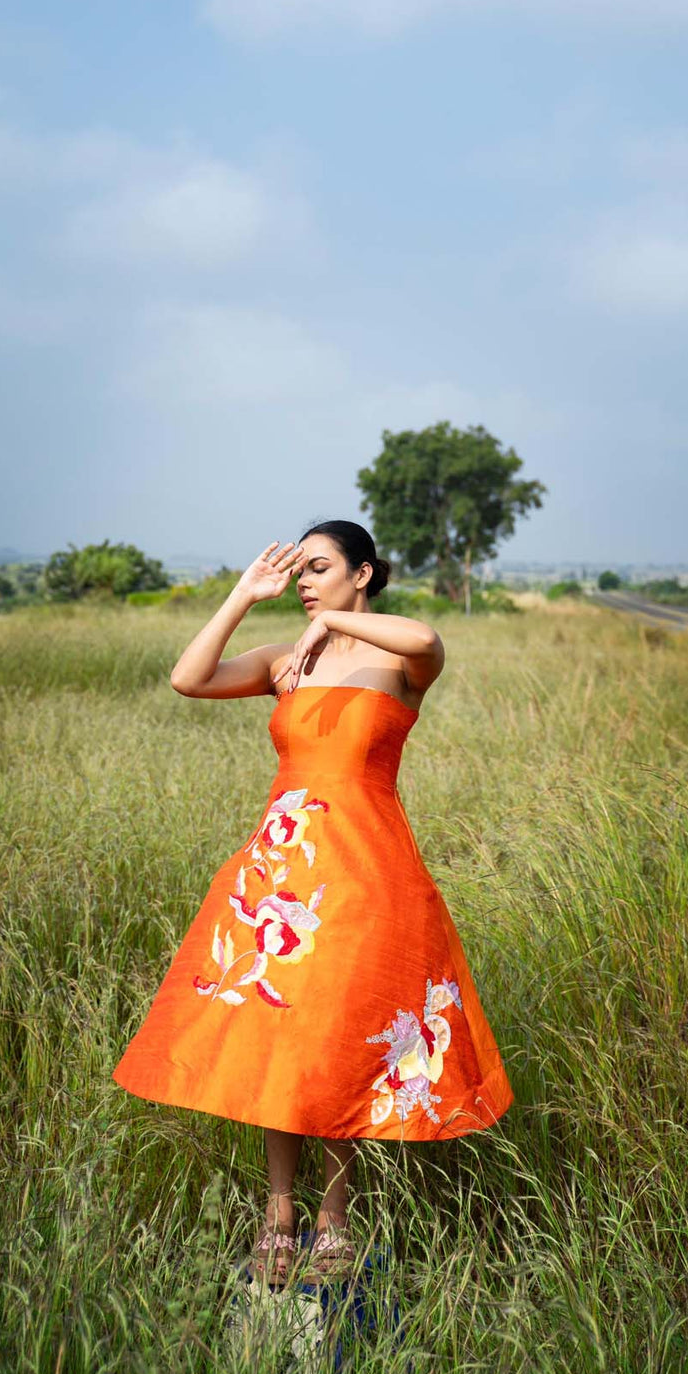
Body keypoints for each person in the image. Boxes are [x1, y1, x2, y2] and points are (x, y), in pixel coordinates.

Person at [112, 520, 513, 1285]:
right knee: (281, 1041)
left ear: (362, 574)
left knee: (341, 1038)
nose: (302, 580)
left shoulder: (398, 664)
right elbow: (187, 679)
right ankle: (279, 1212)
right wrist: (241, 596)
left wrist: (326, 622)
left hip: (369, 875)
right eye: (297, 571)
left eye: (318, 568)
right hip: (281, 878)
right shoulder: (286, 660)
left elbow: (426, 635)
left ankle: (335, 1215)